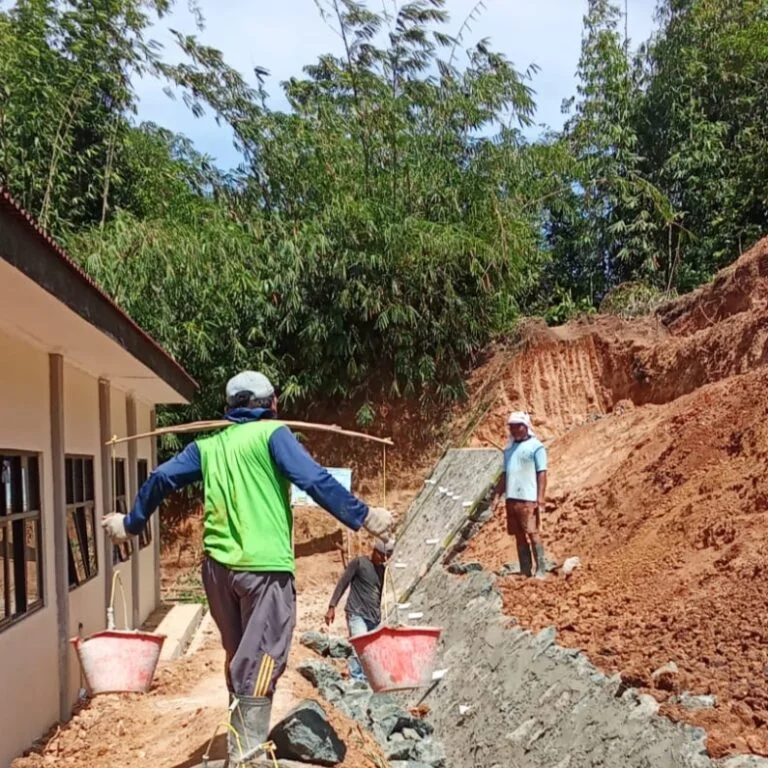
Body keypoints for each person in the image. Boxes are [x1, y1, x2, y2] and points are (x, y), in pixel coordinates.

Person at [101, 371, 393, 766]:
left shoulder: (209, 446)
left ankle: (241, 738)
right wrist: (365, 517)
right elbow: (314, 479)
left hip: (218, 571)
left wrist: (130, 524)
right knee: (262, 657)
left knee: (239, 654)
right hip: (265, 571)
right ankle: (247, 755)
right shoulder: (274, 434)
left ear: (230, 409)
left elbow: (160, 477)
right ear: (271, 404)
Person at [324, 539, 394, 681]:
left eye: (385, 557)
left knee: (372, 653)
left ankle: (367, 682)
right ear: (375, 551)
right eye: (381, 555)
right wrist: (332, 607)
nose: (382, 560)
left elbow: (379, 595)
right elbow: (343, 583)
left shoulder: (383, 571)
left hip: (373, 618)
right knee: (360, 648)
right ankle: (356, 682)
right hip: (356, 613)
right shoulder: (359, 563)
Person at [491, 411, 548, 579]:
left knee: (533, 532)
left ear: (526, 427)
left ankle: (541, 570)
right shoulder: (509, 449)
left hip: (528, 498)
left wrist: (541, 498)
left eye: (518, 426)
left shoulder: (536, 446)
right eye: (512, 427)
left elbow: (542, 473)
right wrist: (496, 496)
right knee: (519, 534)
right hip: (512, 498)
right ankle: (525, 569)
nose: (515, 430)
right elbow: (505, 475)